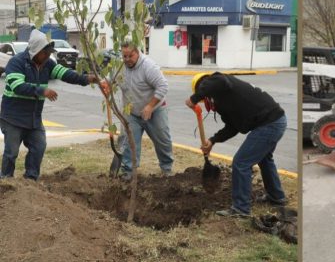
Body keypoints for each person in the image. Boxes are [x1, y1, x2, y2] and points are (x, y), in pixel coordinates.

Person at [185, 72, 287, 218]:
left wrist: (194, 98)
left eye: (202, 93)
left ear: (204, 85)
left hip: (270, 123)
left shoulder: (221, 81)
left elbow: (219, 80)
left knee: (241, 162)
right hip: (274, 121)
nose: (203, 98)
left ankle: (241, 208)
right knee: (264, 159)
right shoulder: (223, 101)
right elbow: (233, 127)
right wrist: (212, 141)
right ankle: (276, 197)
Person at [0, 29, 98, 180]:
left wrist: (87, 79)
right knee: (11, 153)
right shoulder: (17, 63)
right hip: (13, 118)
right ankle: (6, 183)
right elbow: (17, 86)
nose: (47, 56)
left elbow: (66, 74)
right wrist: (42, 90)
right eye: (44, 53)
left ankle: (30, 181)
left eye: (48, 53)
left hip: (33, 119)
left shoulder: (47, 64)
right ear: (35, 51)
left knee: (39, 147)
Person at [108, 42, 174, 179]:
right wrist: (106, 84)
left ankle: (166, 169)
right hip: (131, 113)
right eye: (124, 56)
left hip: (155, 110)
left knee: (163, 140)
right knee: (129, 143)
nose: (127, 59)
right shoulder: (119, 67)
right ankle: (128, 173)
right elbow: (110, 80)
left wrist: (150, 106)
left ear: (138, 52)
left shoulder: (148, 67)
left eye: (130, 56)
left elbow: (163, 86)